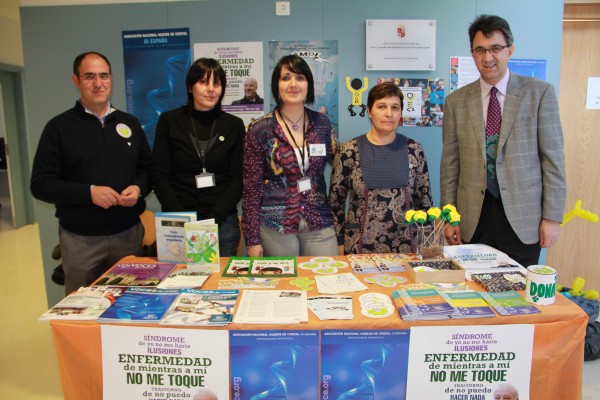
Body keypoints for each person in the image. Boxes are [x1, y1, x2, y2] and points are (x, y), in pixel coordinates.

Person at [441, 15, 566, 267]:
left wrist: (552, 218)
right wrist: (449, 216)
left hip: (523, 218)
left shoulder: (539, 93)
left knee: (519, 295)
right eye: (480, 50)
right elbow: (450, 165)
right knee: (473, 291)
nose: (488, 58)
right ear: (472, 54)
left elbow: (553, 161)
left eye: (495, 48)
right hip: (473, 217)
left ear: (510, 49)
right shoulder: (456, 102)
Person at [30, 51, 151, 295]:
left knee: (129, 306)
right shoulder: (58, 128)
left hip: (128, 235)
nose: (98, 83)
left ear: (112, 79)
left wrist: (138, 189)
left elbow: (147, 170)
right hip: (80, 241)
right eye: (89, 76)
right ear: (76, 80)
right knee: (82, 310)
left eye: (104, 76)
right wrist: (89, 193)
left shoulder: (130, 123)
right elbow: (41, 184)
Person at [242, 54, 338, 257]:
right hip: (275, 225)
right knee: (283, 284)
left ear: (308, 85)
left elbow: (340, 164)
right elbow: (251, 189)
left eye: (300, 78)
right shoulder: (260, 129)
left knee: (328, 279)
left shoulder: (322, 124)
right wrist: (252, 239)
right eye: (286, 78)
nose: (293, 84)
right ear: (276, 85)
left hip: (318, 220)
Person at [151, 58, 245, 256]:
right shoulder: (169, 121)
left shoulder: (234, 125)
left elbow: (237, 179)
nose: (211, 89)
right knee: (177, 281)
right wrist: (183, 218)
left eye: (216, 83)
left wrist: (213, 219)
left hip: (222, 223)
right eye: (204, 82)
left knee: (220, 284)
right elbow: (159, 175)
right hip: (178, 221)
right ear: (189, 86)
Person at [329, 82, 433, 254]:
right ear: (369, 111)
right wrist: (339, 242)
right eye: (381, 106)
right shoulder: (348, 151)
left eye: (395, 107)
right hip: (359, 250)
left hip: (408, 250)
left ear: (400, 112)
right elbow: (335, 204)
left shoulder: (414, 150)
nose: (388, 114)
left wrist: (428, 243)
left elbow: (425, 202)